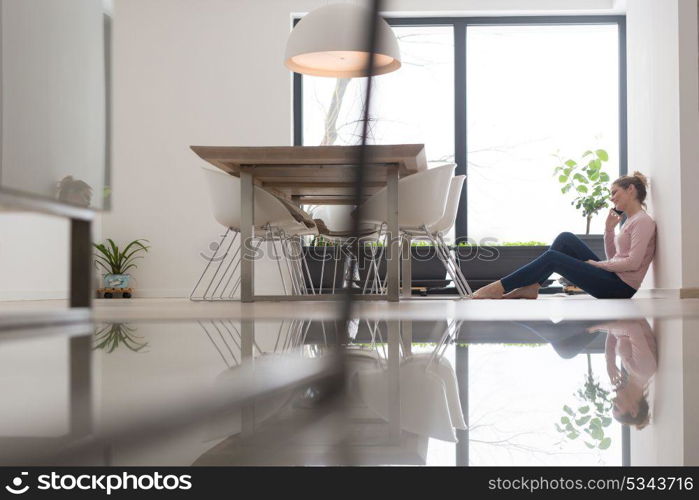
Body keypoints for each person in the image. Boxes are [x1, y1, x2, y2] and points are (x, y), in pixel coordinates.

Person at [472, 171, 656, 299]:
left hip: (621, 288)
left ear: (631, 189)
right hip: (615, 279)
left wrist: (596, 264)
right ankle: (533, 287)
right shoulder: (630, 221)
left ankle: (500, 287)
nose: (612, 198)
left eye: (615, 192)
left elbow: (633, 263)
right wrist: (608, 230)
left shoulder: (643, 221)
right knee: (565, 238)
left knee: (553, 258)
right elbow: (615, 258)